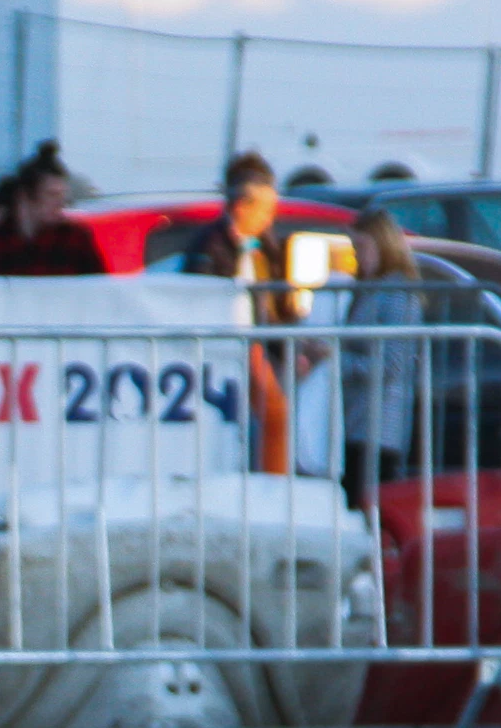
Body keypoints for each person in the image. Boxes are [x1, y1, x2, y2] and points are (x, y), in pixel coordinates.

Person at [174, 151, 303, 475]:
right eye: (265, 210)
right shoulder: (210, 246)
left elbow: (275, 302)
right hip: (227, 349)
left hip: (258, 346)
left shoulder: (267, 247)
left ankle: (273, 481)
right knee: (268, 415)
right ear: (242, 207)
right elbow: (197, 296)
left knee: (274, 417)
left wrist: (292, 345)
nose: (269, 219)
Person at [334, 208, 430, 493]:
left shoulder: (397, 294)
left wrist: (335, 359)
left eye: (362, 247)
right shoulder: (367, 289)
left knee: (370, 501)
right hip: (355, 420)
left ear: (383, 245)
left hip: (379, 427)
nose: (357, 256)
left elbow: (391, 366)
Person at [0, 143, 112, 276]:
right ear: (26, 197)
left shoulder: (75, 238)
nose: (60, 203)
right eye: (52, 194)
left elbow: (99, 290)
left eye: (62, 195)